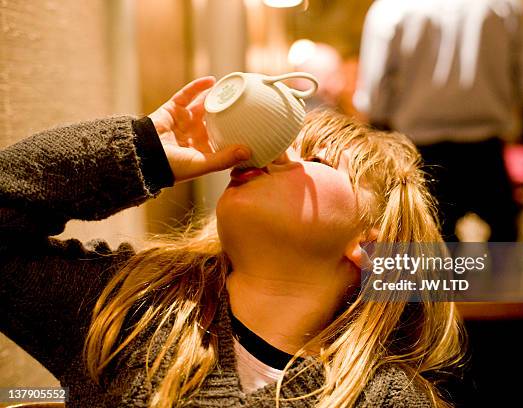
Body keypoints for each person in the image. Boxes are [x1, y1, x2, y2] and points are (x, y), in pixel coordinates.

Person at [0, 77, 463, 407]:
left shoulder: (383, 398)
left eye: (315, 157)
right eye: (279, 138)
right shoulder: (129, 311)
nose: (276, 153)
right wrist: (145, 151)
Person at [355, 0, 523, 241]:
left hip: (418, 154)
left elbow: (374, 95)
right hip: (486, 152)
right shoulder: (505, 5)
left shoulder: (390, 8)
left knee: (426, 258)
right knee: (503, 257)